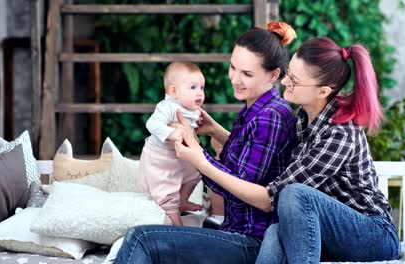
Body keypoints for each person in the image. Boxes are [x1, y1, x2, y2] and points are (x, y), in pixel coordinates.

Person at [175, 37, 400, 263]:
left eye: (294, 80)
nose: (284, 82)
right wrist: (216, 131)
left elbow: (272, 197)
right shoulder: (305, 116)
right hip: (328, 230)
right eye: (289, 73)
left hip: (373, 235)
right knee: (273, 233)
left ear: (322, 91)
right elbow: (279, 158)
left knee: (294, 194)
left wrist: (201, 161)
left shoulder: (340, 133)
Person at [115, 21, 297, 263]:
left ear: (273, 75)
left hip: (252, 241)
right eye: (233, 67)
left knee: (141, 238)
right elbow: (248, 158)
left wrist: (197, 155)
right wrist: (215, 131)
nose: (235, 79)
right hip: (235, 229)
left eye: (247, 74)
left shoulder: (271, 117)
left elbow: (241, 187)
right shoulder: (256, 108)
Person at [140, 61, 206, 226]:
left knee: (196, 173)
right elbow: (152, 124)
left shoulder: (192, 109)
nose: (199, 93)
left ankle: (183, 200)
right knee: (166, 191)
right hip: (161, 159)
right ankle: (175, 220)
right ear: (174, 91)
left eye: (202, 88)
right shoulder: (168, 106)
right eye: (193, 87)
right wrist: (172, 133)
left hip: (180, 156)